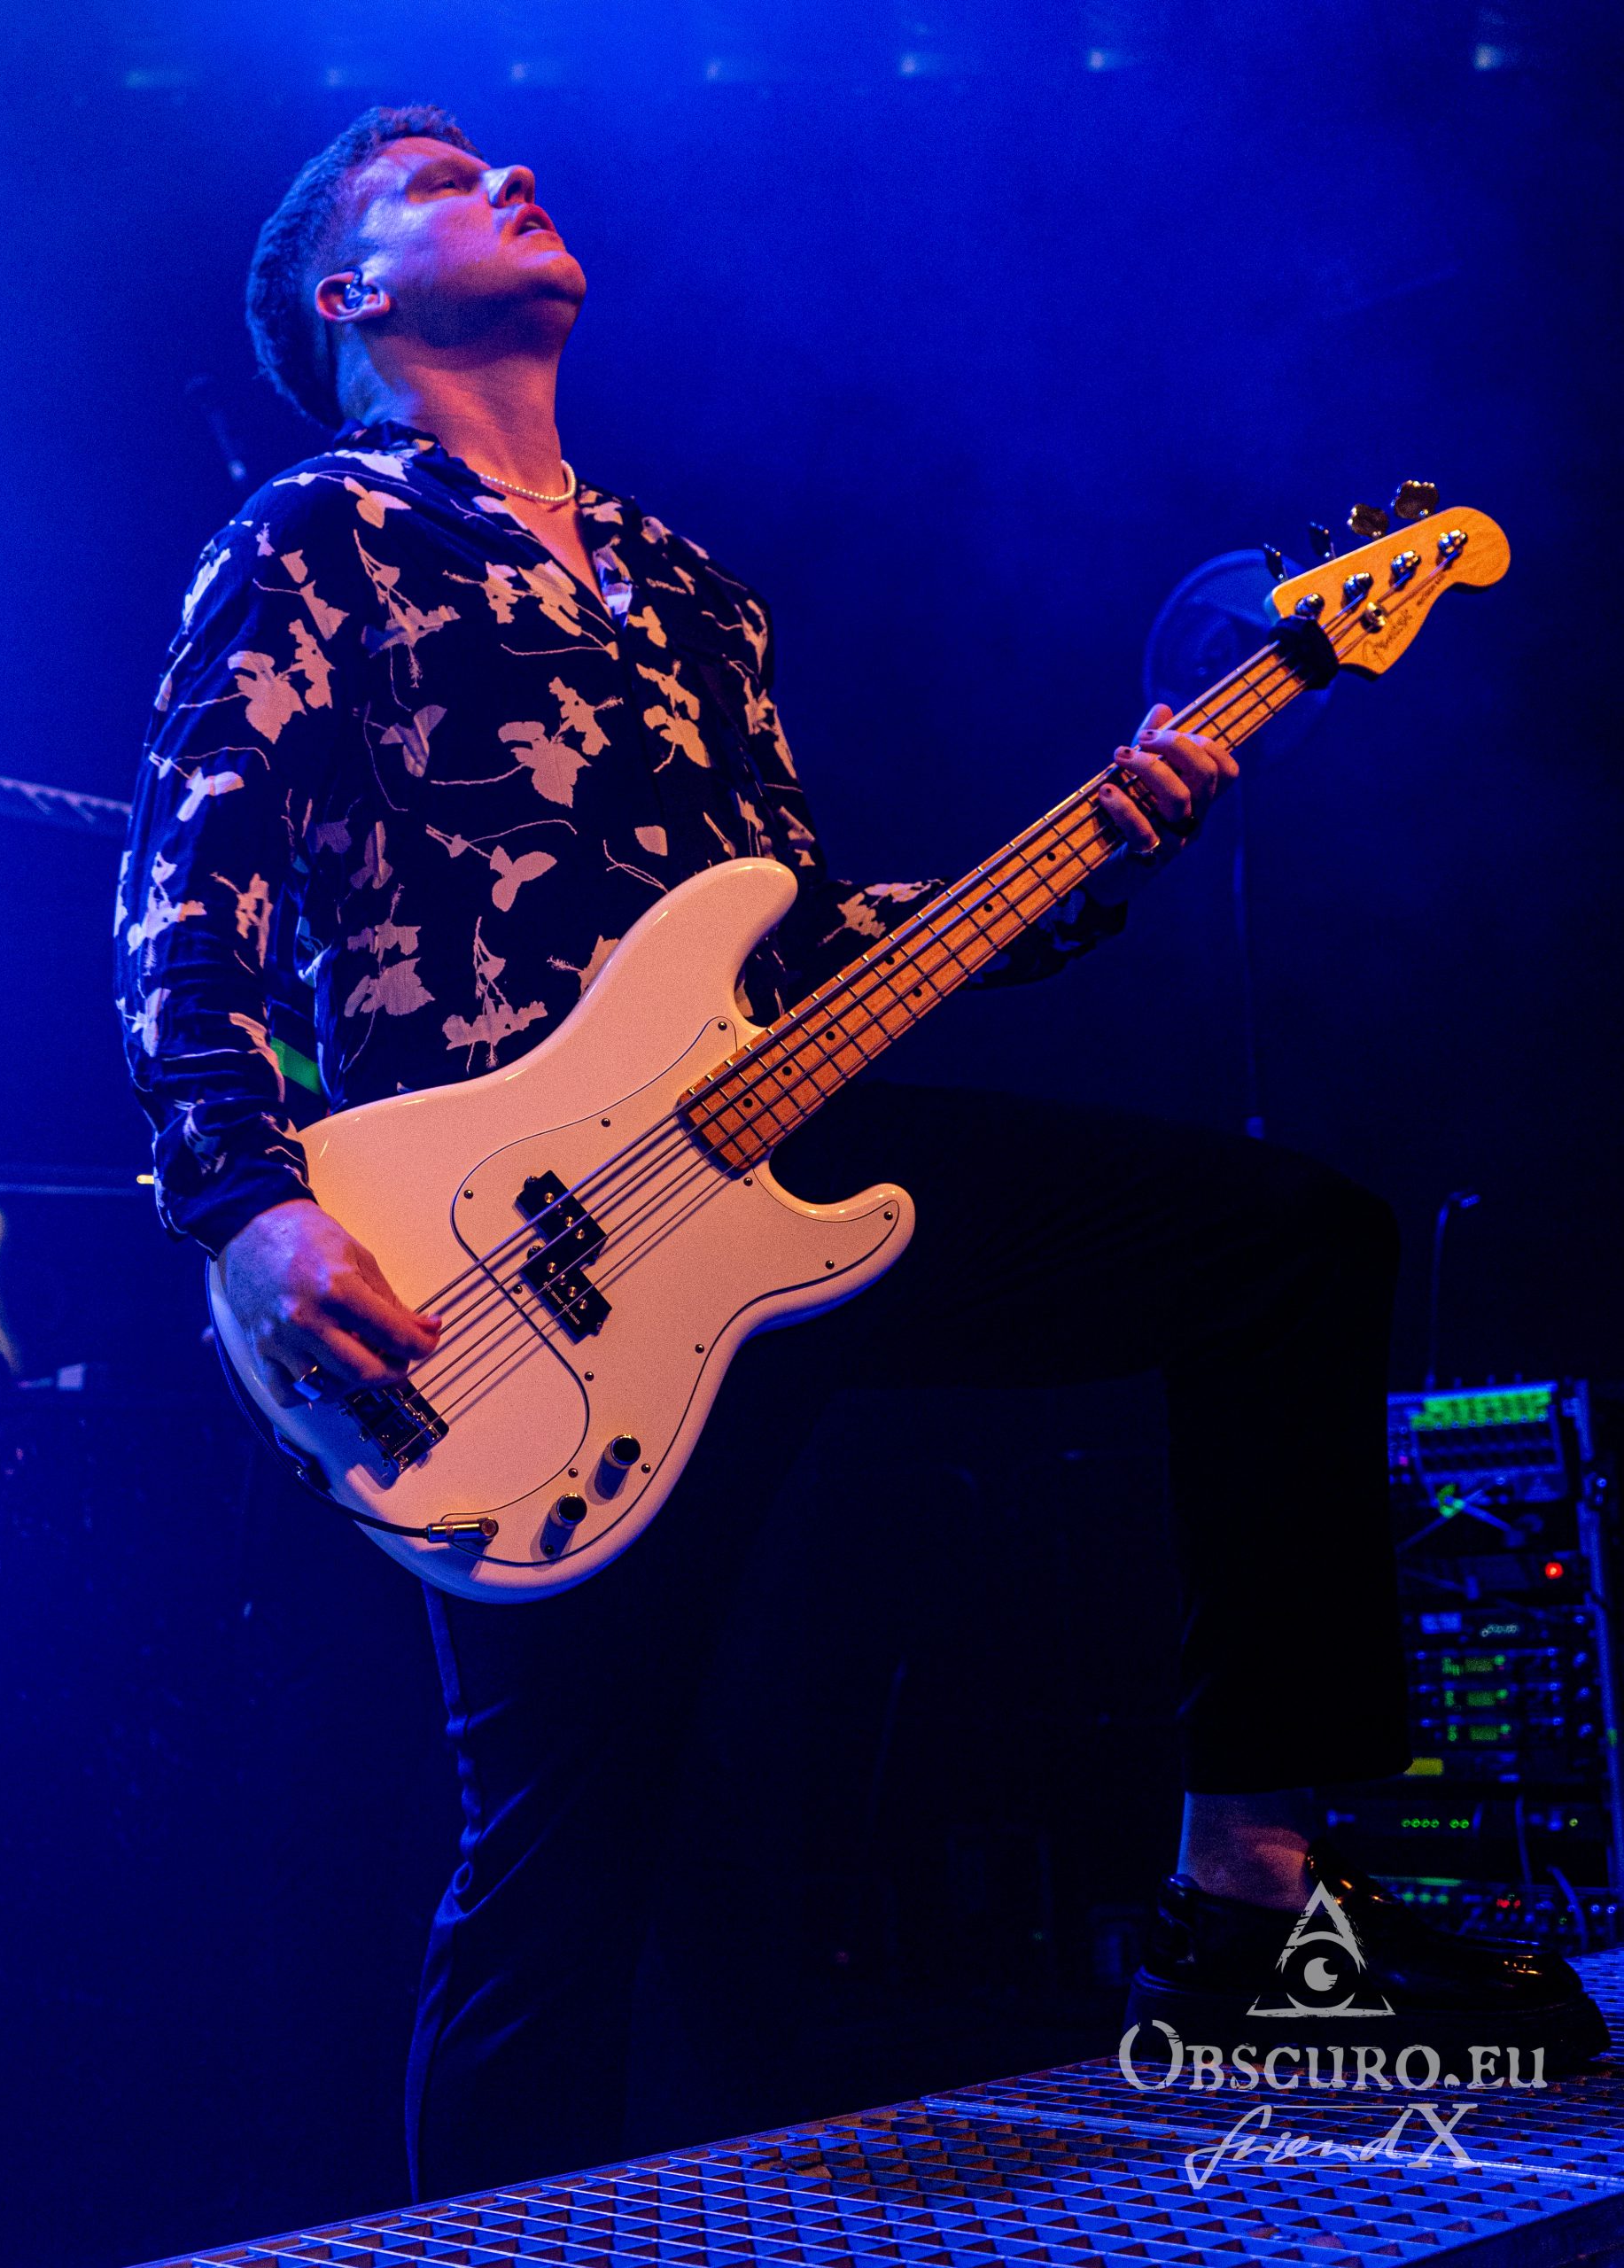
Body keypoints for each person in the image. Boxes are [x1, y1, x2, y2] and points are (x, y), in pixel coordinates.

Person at [117, 105, 1605, 2201]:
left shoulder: (691, 590)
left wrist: (1089, 851)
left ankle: (1250, 1902)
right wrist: (244, 1201)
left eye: (508, 165)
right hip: (516, 1268)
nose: (514, 179)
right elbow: (190, 874)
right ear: (348, 295)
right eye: (441, 180)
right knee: (567, 1857)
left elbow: (801, 942)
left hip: (783, 1178)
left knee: (1284, 1242)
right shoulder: (314, 537)